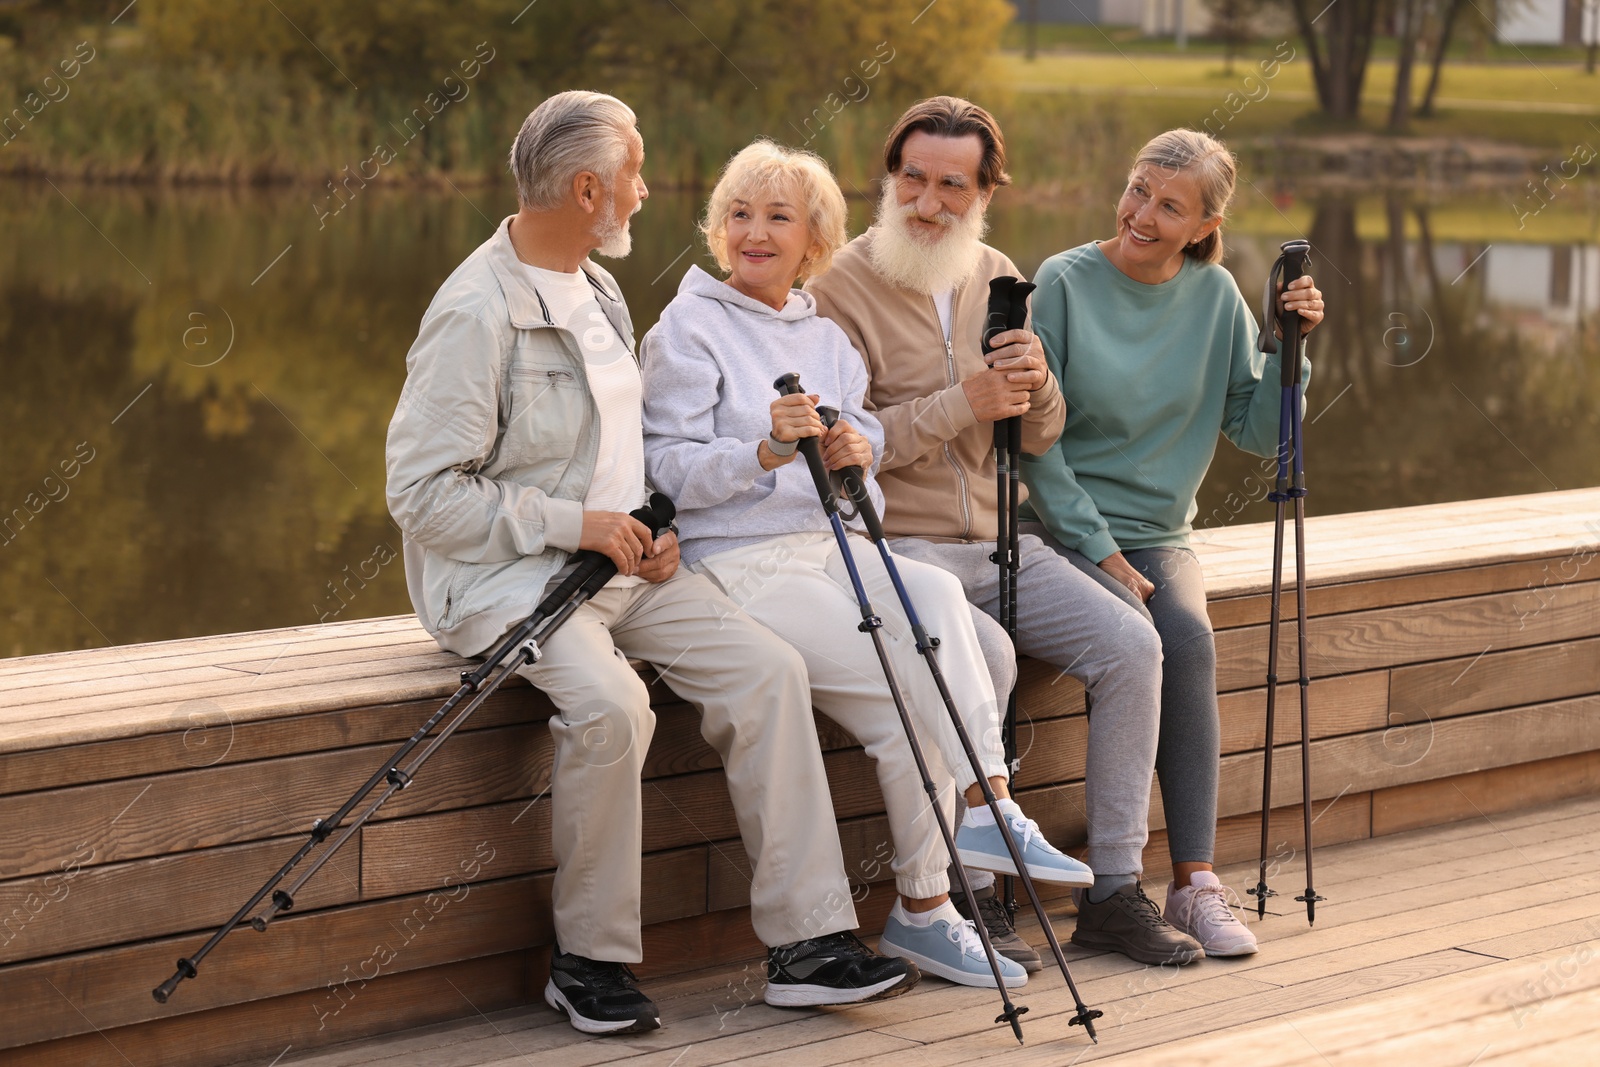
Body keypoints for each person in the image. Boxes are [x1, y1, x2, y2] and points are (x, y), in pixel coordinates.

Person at [384, 92, 916, 1037]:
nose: (644, 190)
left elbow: (623, 455)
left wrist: (645, 523)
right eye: (633, 173)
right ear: (589, 188)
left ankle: (809, 944)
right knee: (614, 704)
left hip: (625, 567)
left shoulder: (596, 285)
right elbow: (424, 497)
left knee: (768, 671)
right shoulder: (476, 311)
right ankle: (587, 960)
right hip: (501, 579)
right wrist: (578, 524)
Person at [640, 139, 1093, 990]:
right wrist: (766, 452)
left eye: (779, 216)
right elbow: (665, 470)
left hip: (831, 548)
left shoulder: (824, 337)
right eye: (739, 213)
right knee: (910, 677)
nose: (755, 231)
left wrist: (857, 454)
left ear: (814, 239)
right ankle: (977, 829)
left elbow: (866, 471)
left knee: (929, 605)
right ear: (717, 227)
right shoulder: (686, 329)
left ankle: (931, 901)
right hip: (739, 563)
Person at [807, 97, 1200, 967]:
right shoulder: (834, 286)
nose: (928, 201)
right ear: (888, 178)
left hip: (1000, 544)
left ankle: (1112, 891)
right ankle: (974, 895)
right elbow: (840, 453)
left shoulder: (998, 275)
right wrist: (961, 403)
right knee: (986, 653)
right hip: (896, 551)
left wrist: (1036, 384)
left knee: (1135, 645)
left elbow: (1041, 433)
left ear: (985, 192)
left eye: (953, 184)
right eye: (913, 177)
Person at [1021, 128, 1325, 958]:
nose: (1141, 214)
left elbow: (1262, 432)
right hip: (1057, 526)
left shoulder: (1218, 295)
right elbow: (1030, 443)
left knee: (1187, 635)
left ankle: (1194, 883)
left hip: (1158, 533)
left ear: (1204, 224)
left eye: (1168, 205)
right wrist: (1098, 548)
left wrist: (1290, 349)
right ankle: (1105, 887)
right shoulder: (1063, 283)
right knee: (1137, 631)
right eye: (1137, 189)